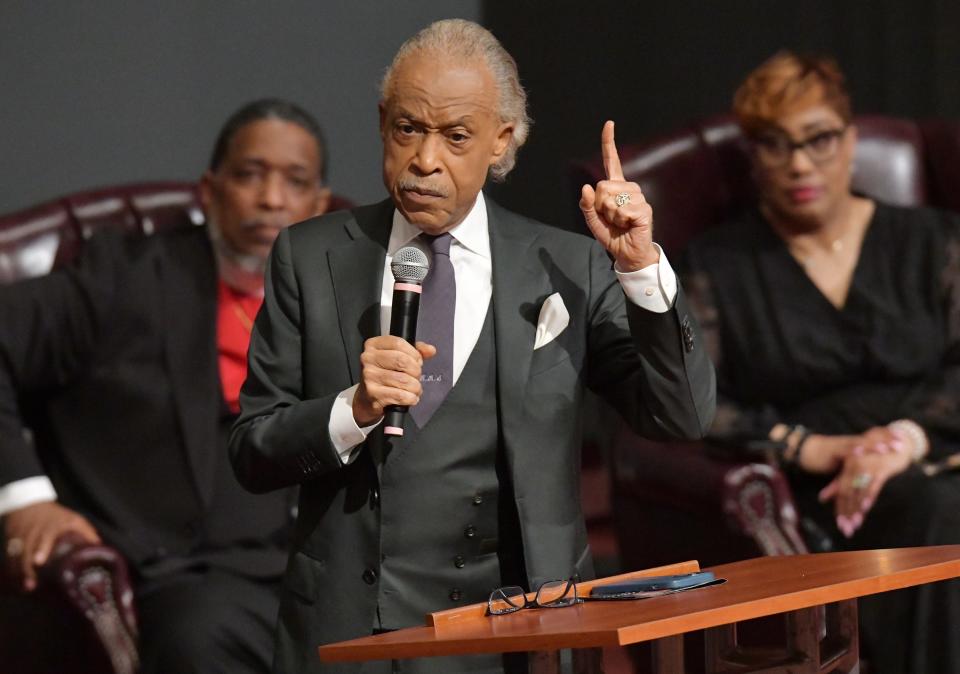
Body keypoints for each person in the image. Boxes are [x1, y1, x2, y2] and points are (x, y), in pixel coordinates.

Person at [230, 19, 715, 674]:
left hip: (522, 634)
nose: (425, 159)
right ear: (382, 122)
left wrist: (640, 269)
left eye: (455, 136)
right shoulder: (309, 256)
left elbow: (680, 415)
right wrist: (354, 409)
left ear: (501, 141)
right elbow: (252, 451)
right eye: (408, 129)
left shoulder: (566, 265)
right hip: (355, 633)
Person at [0, 98, 331, 673]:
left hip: (314, 572)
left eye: (294, 182)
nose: (271, 199)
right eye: (250, 175)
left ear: (319, 204)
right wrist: (26, 499)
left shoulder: (345, 296)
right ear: (210, 188)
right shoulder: (123, 277)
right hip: (185, 580)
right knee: (203, 642)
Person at [683, 51, 960, 674]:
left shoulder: (931, 240)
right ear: (753, 157)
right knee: (942, 512)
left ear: (852, 139)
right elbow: (695, 401)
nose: (800, 164)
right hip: (823, 489)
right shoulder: (717, 265)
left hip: (934, 448)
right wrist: (810, 447)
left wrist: (904, 440)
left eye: (819, 140)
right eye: (775, 146)